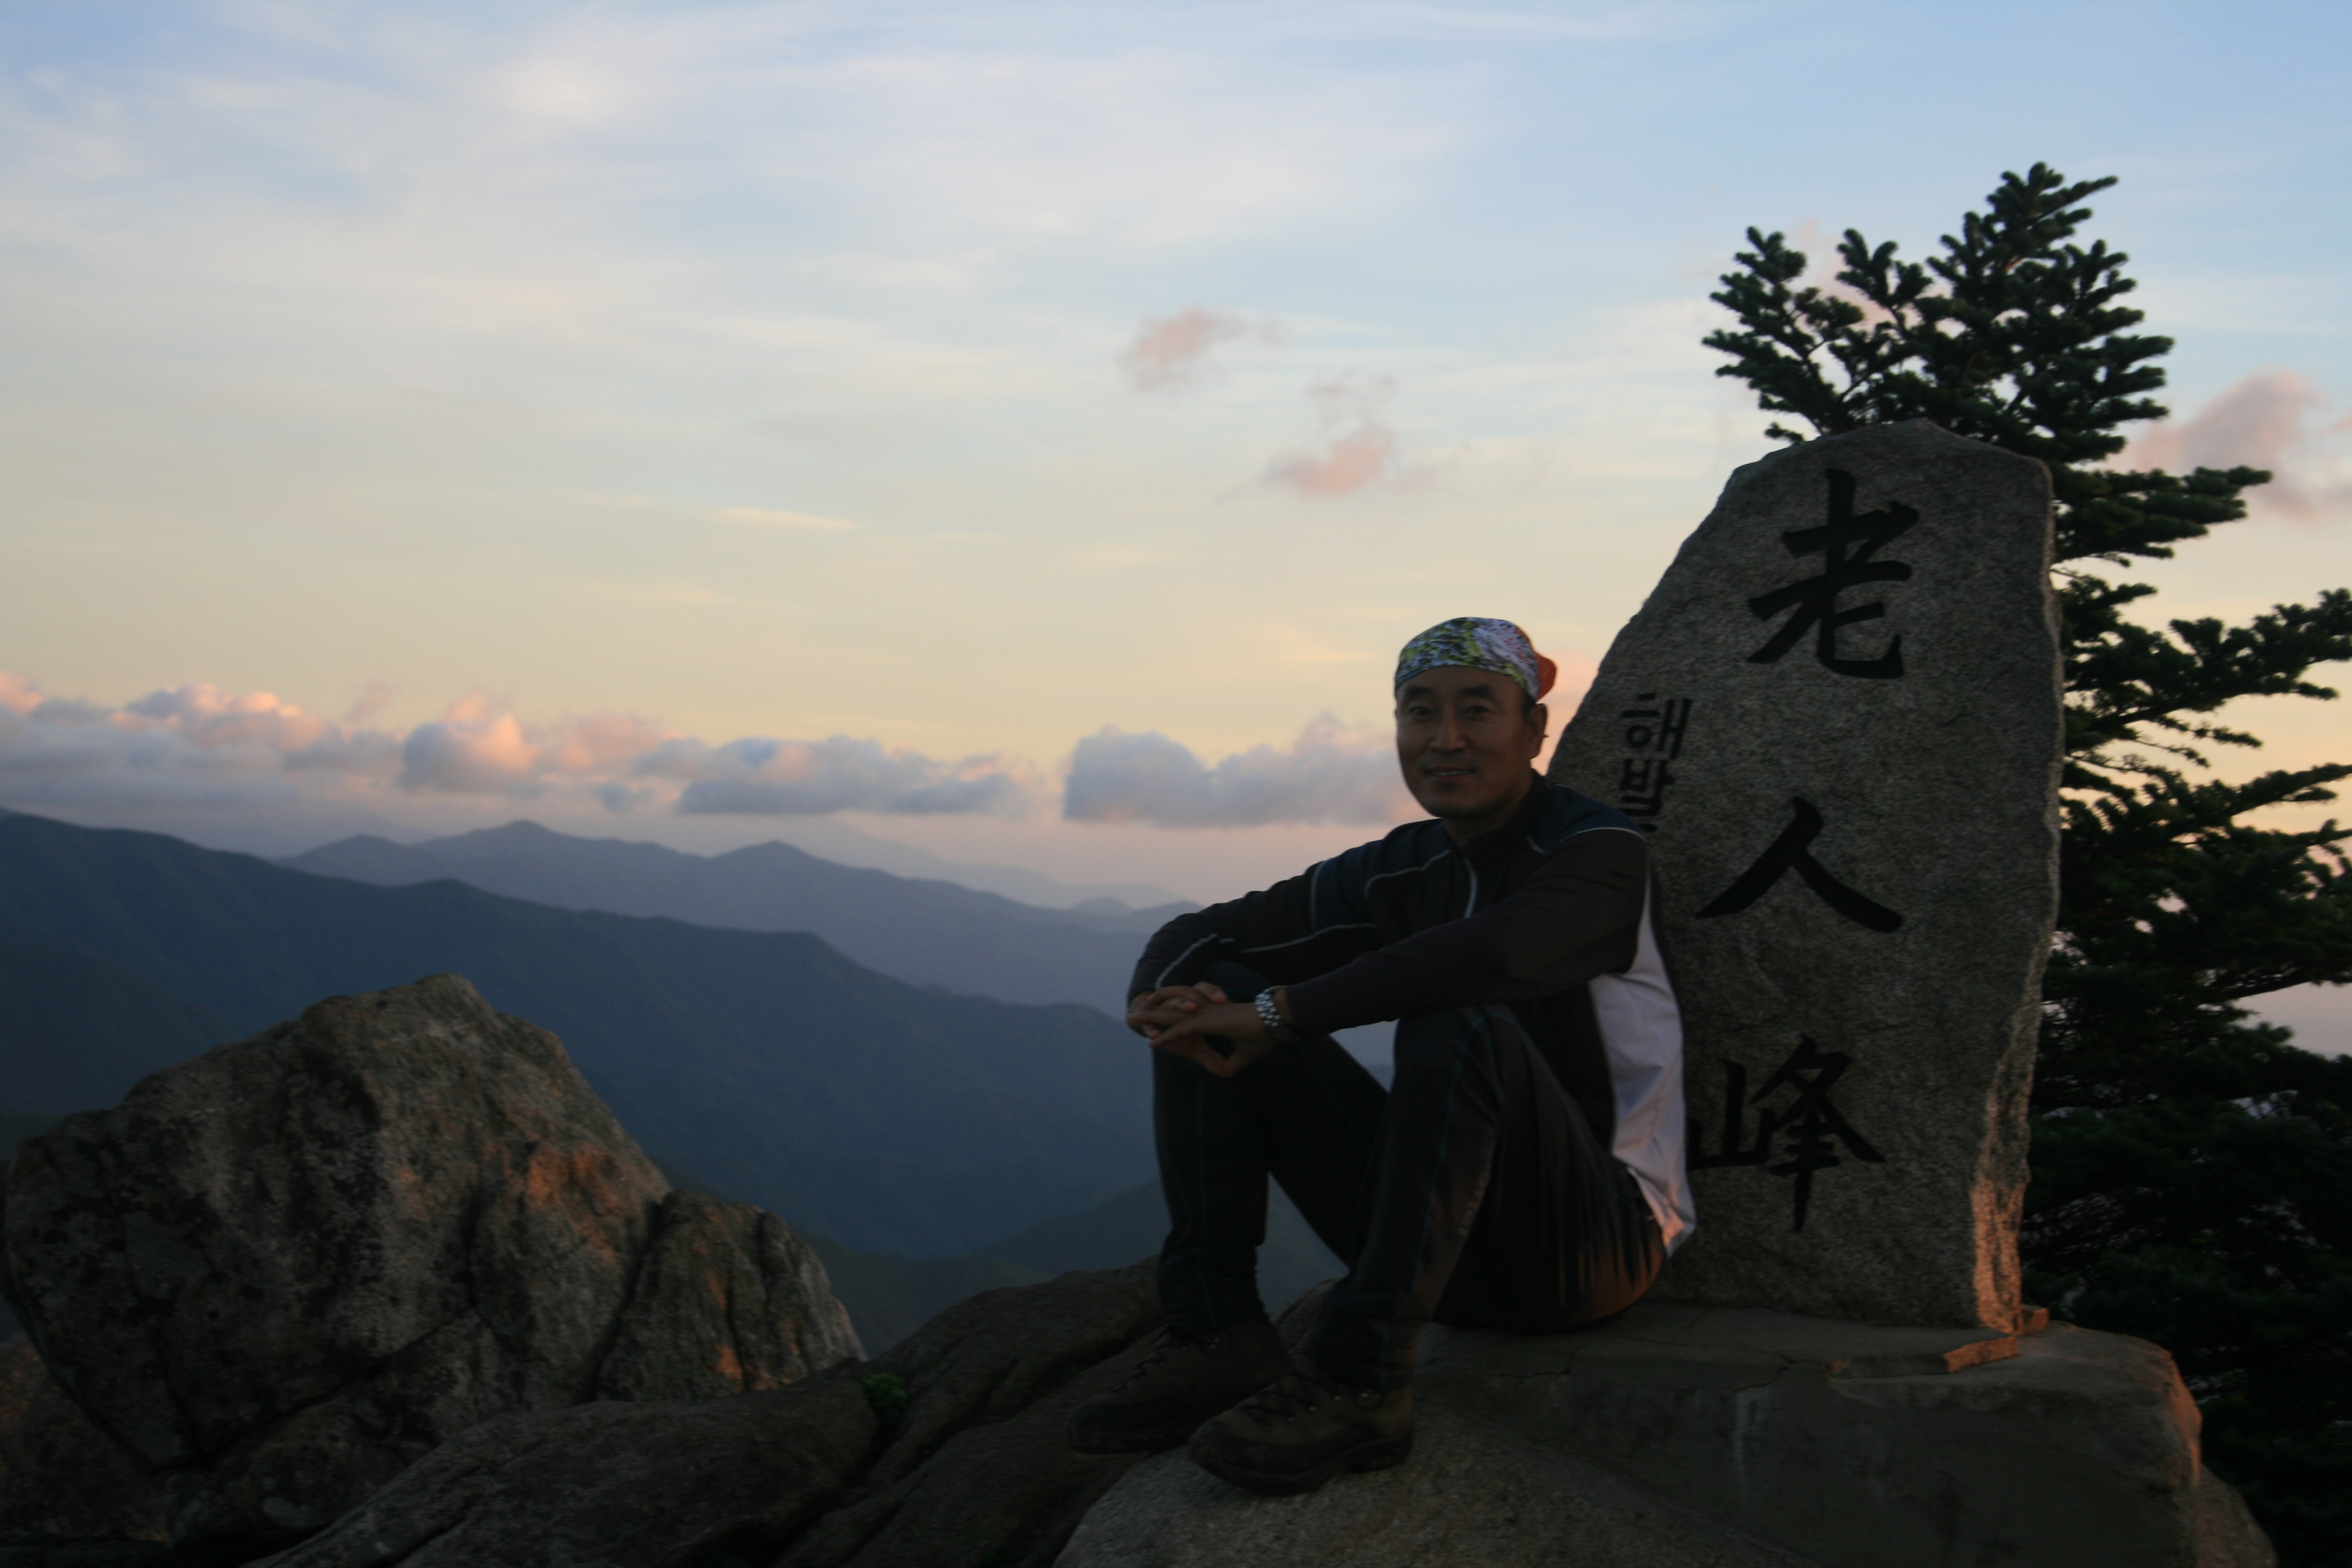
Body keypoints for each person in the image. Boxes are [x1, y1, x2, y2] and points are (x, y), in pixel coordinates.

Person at [1065, 616, 1692, 1497]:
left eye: (1477, 710)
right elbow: (1208, 934)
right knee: (1215, 995)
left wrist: (1282, 1013)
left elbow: (1491, 954)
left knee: (1457, 1018)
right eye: (1419, 711)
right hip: (1440, 1237)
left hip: (1589, 1249)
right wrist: (1161, 1000)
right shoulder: (1404, 865)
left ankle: (1362, 1378)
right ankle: (1217, 1332)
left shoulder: (1597, 854)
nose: (1446, 738)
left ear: (1534, 730)